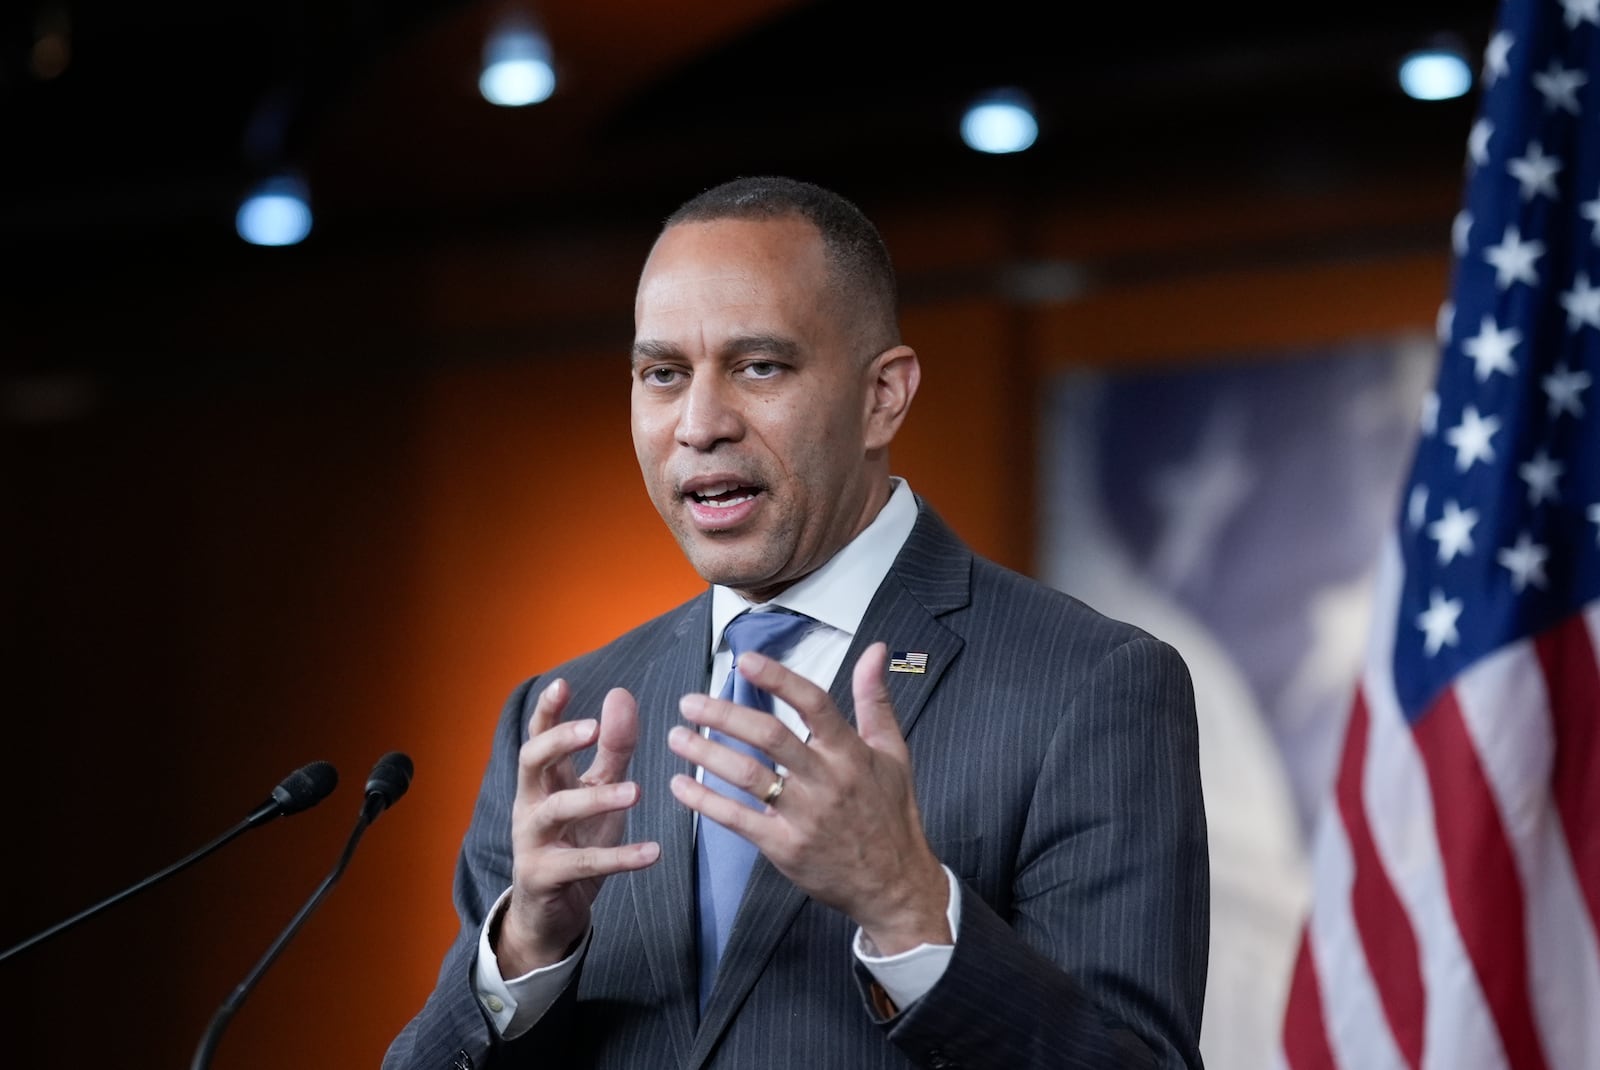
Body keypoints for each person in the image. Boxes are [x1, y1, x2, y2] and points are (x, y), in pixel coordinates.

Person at [383, 175, 1209, 1070]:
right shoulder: (563, 718)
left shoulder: (1092, 683)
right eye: (663, 374)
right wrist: (525, 957)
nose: (699, 424)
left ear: (882, 397)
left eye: (759, 366)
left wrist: (908, 908)